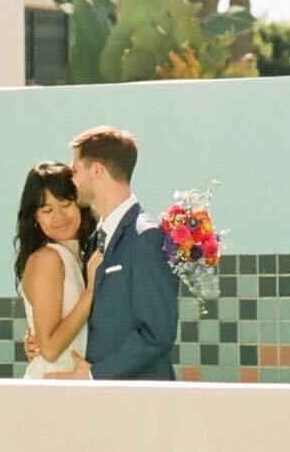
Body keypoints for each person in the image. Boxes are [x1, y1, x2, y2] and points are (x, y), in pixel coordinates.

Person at [31, 124, 178, 380]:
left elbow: (158, 333)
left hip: (140, 398)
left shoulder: (146, 237)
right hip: (104, 403)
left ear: (96, 169)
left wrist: (93, 375)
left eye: (75, 170)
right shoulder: (93, 240)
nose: (72, 180)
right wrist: (41, 336)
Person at [14, 161, 103, 379]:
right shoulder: (48, 259)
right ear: (34, 217)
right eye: (46, 210)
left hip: (72, 388)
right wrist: (91, 292)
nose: (59, 217)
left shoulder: (79, 255)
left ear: (79, 203)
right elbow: (50, 349)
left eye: (65, 204)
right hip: (51, 390)